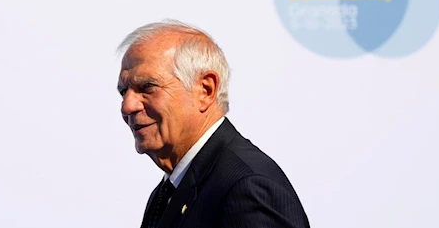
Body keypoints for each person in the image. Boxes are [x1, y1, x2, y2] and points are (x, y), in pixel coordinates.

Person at [116, 20, 310, 228]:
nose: (127, 107)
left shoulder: (246, 187)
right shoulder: (167, 193)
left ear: (205, 90)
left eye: (147, 87)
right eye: (123, 92)